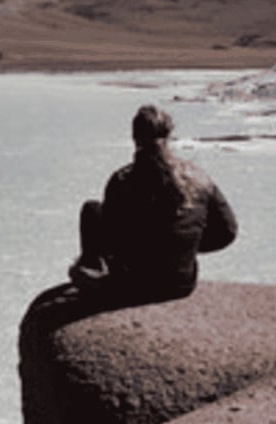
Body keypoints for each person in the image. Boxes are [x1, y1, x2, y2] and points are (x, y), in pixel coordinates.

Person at [66, 104, 237, 308]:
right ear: (170, 134)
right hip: (182, 284)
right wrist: (186, 246)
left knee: (92, 210)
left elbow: (112, 239)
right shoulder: (196, 176)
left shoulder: (123, 180)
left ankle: (91, 268)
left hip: (136, 285)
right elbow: (228, 231)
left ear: (134, 137)